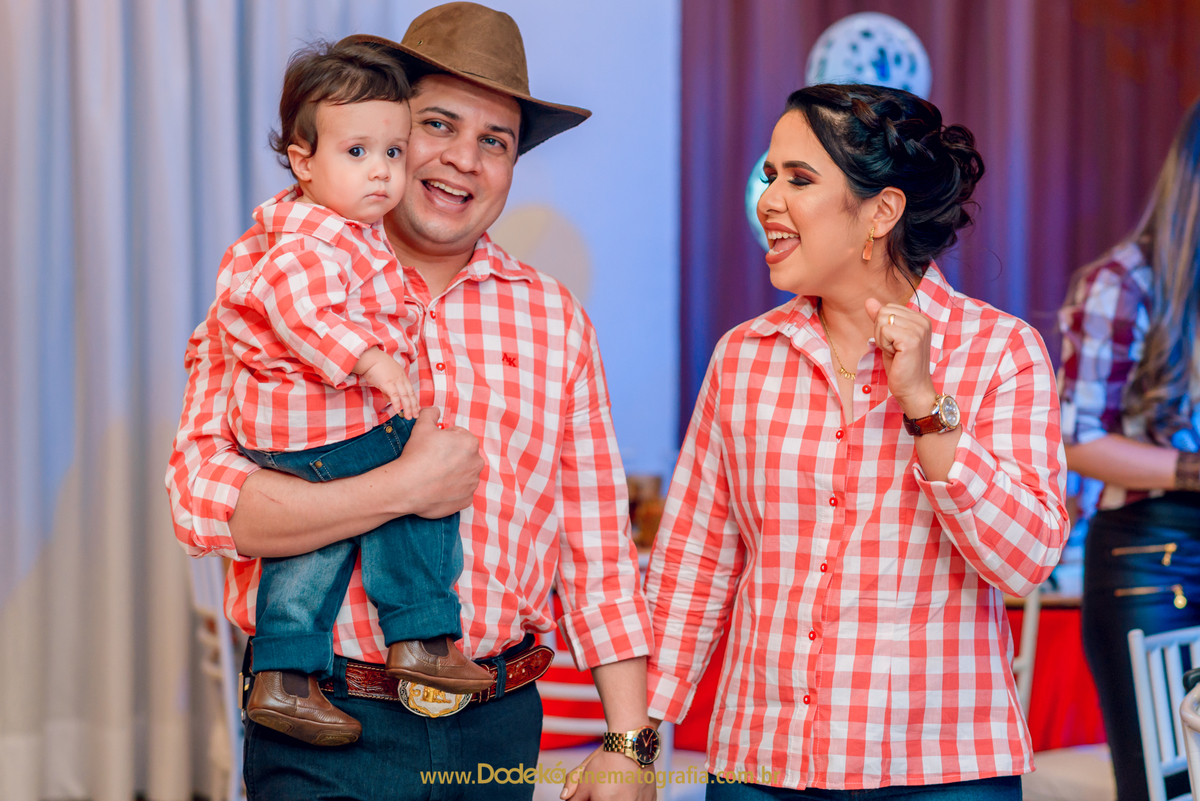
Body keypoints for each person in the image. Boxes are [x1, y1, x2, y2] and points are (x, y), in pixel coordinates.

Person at [167, 4, 656, 799]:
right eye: (438, 125)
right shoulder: (273, 282)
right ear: (388, 128)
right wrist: (401, 488)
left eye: (495, 141)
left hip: (497, 726)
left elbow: (599, 552)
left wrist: (631, 742)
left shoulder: (555, 320)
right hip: (324, 720)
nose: (463, 159)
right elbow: (199, 499)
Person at [641, 85, 1068, 800]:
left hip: (940, 770)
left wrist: (924, 405)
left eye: (799, 179)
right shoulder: (744, 356)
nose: (769, 201)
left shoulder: (1000, 351)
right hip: (762, 764)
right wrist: (635, 739)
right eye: (770, 176)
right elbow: (694, 564)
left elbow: (1026, 561)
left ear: (882, 210)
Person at [215, 40, 493, 748]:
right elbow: (301, 313)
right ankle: (421, 633)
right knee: (425, 477)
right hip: (313, 425)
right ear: (304, 161)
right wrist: (371, 360)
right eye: (358, 153)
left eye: (392, 153)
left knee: (317, 546)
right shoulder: (309, 241)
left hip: (306, 435)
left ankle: (283, 676)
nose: (381, 172)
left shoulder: (346, 235)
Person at [1057, 97, 1200, 801]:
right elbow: (1076, 438)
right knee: (1165, 786)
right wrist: (1191, 469)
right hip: (1152, 552)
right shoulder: (1124, 282)